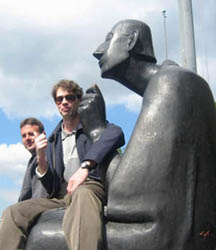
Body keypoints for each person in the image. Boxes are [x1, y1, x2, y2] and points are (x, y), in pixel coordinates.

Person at [93, 19, 216, 249]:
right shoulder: (174, 82)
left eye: (109, 39)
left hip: (163, 235)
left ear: (131, 42)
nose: (98, 50)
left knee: (40, 234)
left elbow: (124, 195)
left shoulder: (170, 82)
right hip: (182, 230)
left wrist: (96, 130)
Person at [0, 80, 125, 250]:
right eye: (59, 99)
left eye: (69, 97)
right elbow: (51, 185)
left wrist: (86, 166)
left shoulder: (91, 127)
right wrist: (41, 156)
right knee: (13, 212)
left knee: (82, 194)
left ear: (78, 100)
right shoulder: (52, 140)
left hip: (89, 188)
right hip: (61, 197)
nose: (64, 102)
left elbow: (116, 133)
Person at [18, 118, 49, 201]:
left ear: (43, 135)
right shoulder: (32, 160)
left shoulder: (48, 154)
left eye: (31, 134)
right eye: (24, 136)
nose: (27, 138)